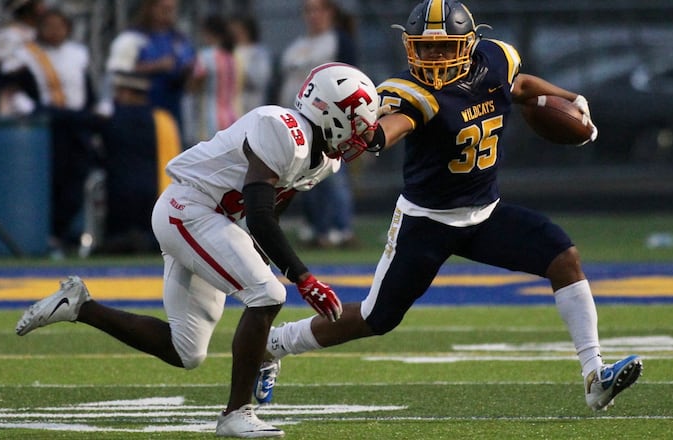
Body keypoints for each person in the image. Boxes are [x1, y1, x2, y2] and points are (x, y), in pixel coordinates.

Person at [257, 0, 643, 412]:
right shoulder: (412, 93)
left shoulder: (496, 60)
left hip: (485, 214)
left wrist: (569, 97)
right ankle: (274, 344)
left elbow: (520, 86)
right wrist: (370, 135)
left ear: (470, 44)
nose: (434, 56)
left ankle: (594, 375)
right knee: (376, 318)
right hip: (426, 223)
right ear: (410, 47)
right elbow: (392, 127)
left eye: (444, 47)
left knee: (564, 258)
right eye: (425, 47)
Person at [14, 62, 381, 438]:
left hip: (212, 222)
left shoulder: (324, 159)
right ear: (330, 113)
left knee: (186, 350)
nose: (362, 136)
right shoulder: (282, 129)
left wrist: (266, 264)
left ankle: (79, 305)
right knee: (268, 294)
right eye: (357, 124)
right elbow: (258, 214)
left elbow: (270, 210)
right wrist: (302, 277)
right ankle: (236, 413)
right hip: (189, 209)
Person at [0, 8, 98, 254]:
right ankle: (48, 236)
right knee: (52, 181)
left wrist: (96, 108)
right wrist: (24, 102)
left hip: (77, 123)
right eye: (49, 26)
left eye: (59, 26)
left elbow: (87, 88)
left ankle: (63, 235)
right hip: (48, 125)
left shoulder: (78, 53)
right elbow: (4, 80)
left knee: (77, 182)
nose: (55, 32)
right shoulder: (27, 54)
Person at [277, 0, 359, 248]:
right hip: (297, 120)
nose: (313, 15)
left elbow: (351, 79)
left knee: (333, 173)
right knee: (304, 176)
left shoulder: (338, 41)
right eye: (309, 10)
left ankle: (342, 228)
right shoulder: (298, 45)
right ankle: (317, 228)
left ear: (330, 12)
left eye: (318, 9)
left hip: (328, 120)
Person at [97, 71, 182, 254]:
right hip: (156, 190)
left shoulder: (112, 118)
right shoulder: (164, 119)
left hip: (119, 190)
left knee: (116, 239)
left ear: (126, 92)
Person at [104, 0, 195, 133]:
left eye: (172, 9)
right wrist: (156, 66)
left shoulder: (179, 39)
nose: (168, 13)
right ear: (151, 8)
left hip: (173, 114)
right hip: (139, 115)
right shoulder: (132, 38)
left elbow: (189, 79)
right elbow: (117, 73)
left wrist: (188, 72)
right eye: (164, 8)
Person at [189, 15, 239, 142]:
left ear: (208, 33)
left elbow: (194, 85)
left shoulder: (205, 56)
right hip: (231, 116)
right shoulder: (232, 57)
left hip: (209, 119)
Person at [229, 15, 272, 115]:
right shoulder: (230, 52)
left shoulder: (260, 52)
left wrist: (242, 71)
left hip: (253, 104)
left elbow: (262, 79)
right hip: (233, 107)